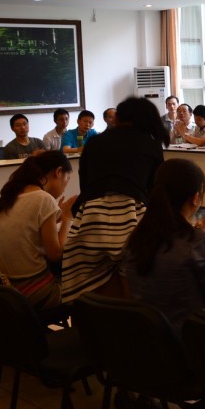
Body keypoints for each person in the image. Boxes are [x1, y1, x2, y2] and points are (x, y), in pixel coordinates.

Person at [60, 97, 168, 302]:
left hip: (91, 217)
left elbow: (85, 184)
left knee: (94, 292)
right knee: (133, 289)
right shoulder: (150, 144)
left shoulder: (95, 143)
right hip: (132, 216)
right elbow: (155, 191)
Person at [123, 158, 205, 332]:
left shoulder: (135, 238)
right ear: (196, 198)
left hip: (147, 339)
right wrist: (203, 243)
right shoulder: (193, 241)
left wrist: (202, 242)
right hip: (187, 340)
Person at [0, 151, 76, 310]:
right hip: (35, 293)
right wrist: (66, 217)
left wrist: (55, 217)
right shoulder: (43, 198)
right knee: (90, 282)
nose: (65, 189)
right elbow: (56, 254)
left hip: (8, 291)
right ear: (58, 172)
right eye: (67, 179)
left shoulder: (13, 195)